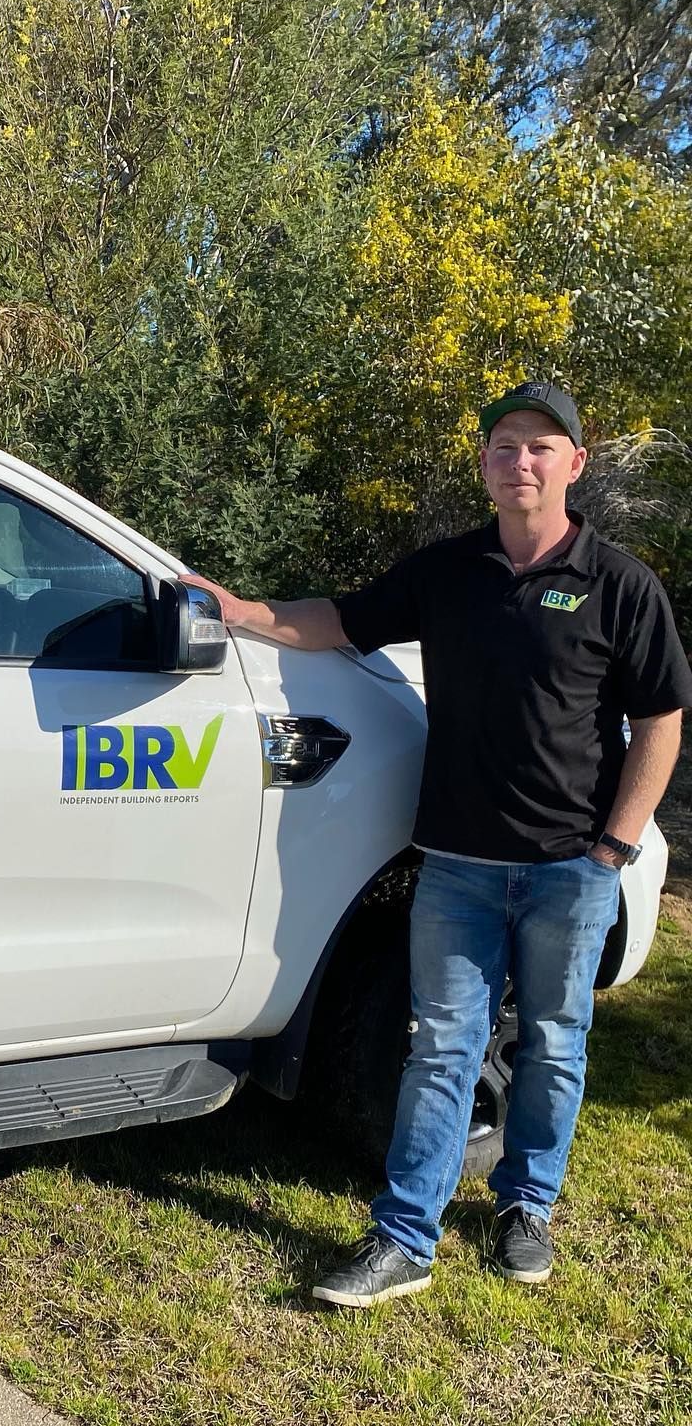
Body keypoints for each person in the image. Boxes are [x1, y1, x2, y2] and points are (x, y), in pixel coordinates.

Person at [184, 382, 692, 1308]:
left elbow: (661, 718)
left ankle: (525, 1207)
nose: (521, 462)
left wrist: (613, 850)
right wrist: (241, 608)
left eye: (541, 448)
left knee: (552, 1042)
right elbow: (339, 621)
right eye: (505, 446)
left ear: (574, 464)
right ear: (487, 464)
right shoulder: (449, 571)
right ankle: (405, 1236)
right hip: (455, 863)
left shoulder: (620, 585)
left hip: (569, 870)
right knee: (441, 1048)